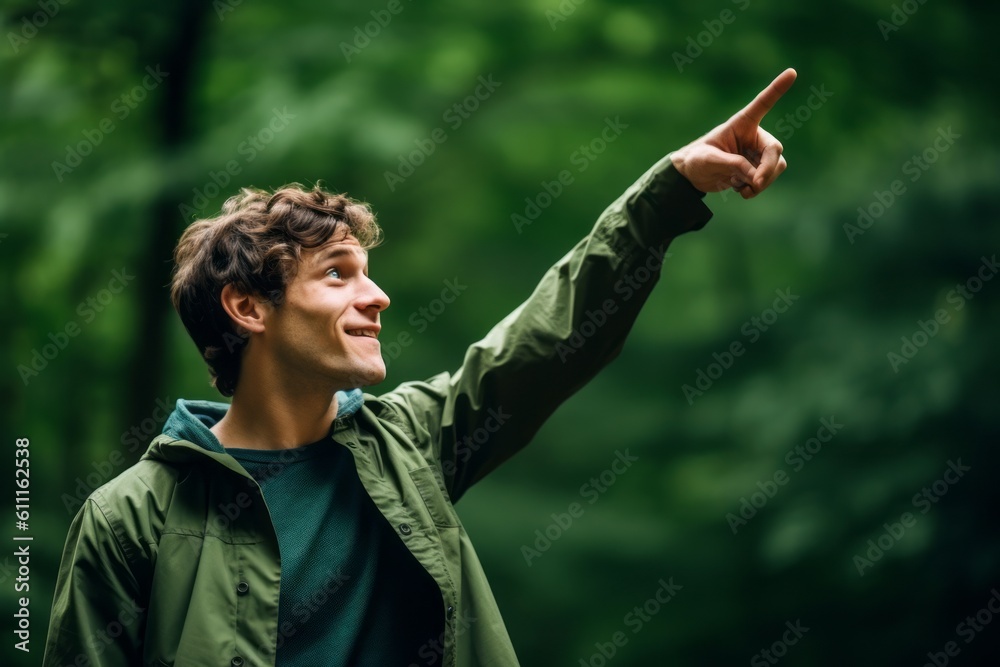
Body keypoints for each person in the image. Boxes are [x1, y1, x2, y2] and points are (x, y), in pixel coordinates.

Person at [43, 69, 797, 667]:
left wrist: (674, 188)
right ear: (249, 308)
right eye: (338, 273)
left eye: (368, 271)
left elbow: (552, 336)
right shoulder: (130, 519)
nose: (378, 295)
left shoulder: (411, 441)